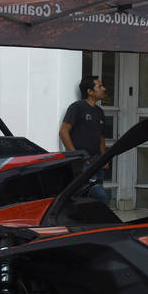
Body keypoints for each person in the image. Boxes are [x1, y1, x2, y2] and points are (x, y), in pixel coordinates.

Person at [59, 75, 110, 204]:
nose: (104, 89)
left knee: (91, 201)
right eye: (100, 86)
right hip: (83, 164)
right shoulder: (77, 107)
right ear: (90, 91)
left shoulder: (99, 112)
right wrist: (77, 158)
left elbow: (101, 137)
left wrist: (104, 158)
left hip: (97, 163)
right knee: (100, 197)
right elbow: (63, 132)